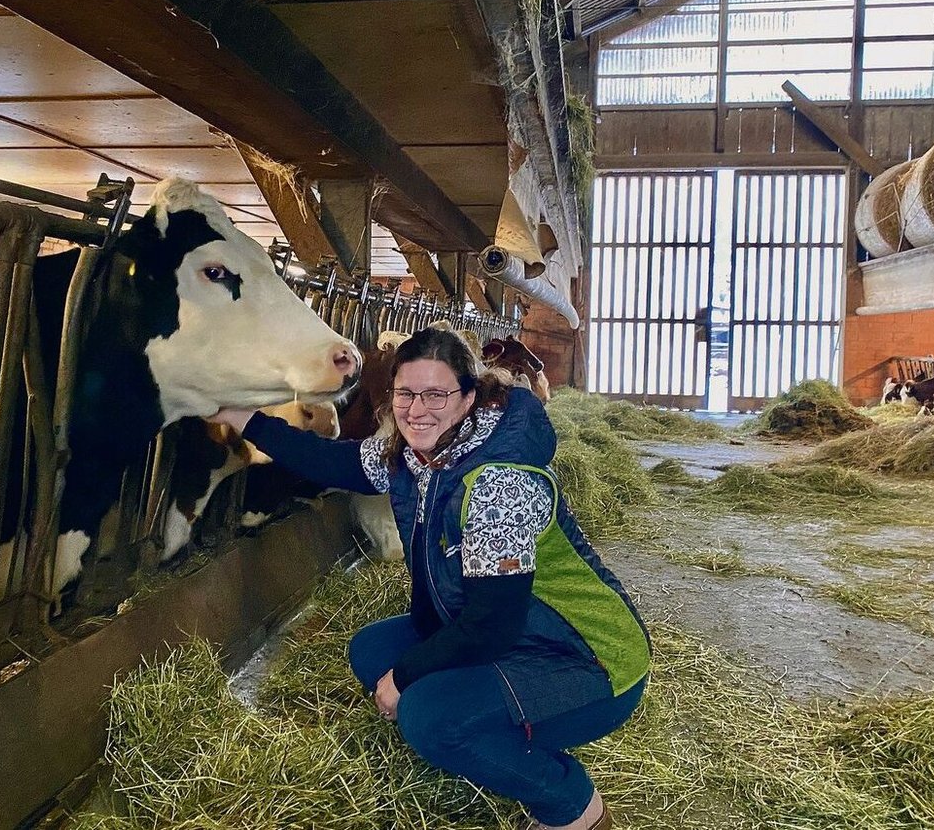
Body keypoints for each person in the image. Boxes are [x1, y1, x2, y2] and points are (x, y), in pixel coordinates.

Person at [211, 327, 651, 830]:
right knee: (373, 652)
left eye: (436, 394)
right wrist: (242, 417)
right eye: (406, 393)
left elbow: (490, 626)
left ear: (469, 396)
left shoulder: (496, 485)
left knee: (428, 717)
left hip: (586, 659)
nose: (417, 410)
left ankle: (571, 803)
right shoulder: (413, 457)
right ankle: (483, 730)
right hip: (513, 633)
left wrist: (407, 679)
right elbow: (329, 460)